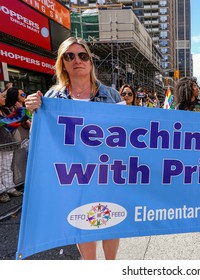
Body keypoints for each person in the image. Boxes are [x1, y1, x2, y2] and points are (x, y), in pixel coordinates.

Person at [25, 36, 121, 260]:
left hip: (106, 173)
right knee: (81, 223)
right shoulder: (51, 97)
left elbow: (127, 137)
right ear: (63, 63)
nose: (77, 60)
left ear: (90, 61)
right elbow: (41, 141)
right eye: (70, 56)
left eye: (83, 55)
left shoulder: (112, 95)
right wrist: (35, 113)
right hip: (71, 176)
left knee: (111, 221)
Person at [0, 93, 27, 203]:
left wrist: (23, 112)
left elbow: (14, 122)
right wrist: (21, 111)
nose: (4, 98)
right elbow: (7, 122)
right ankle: (2, 192)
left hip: (7, 143)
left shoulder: (6, 110)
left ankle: (9, 187)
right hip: (1, 143)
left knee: (7, 167)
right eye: (1, 96)